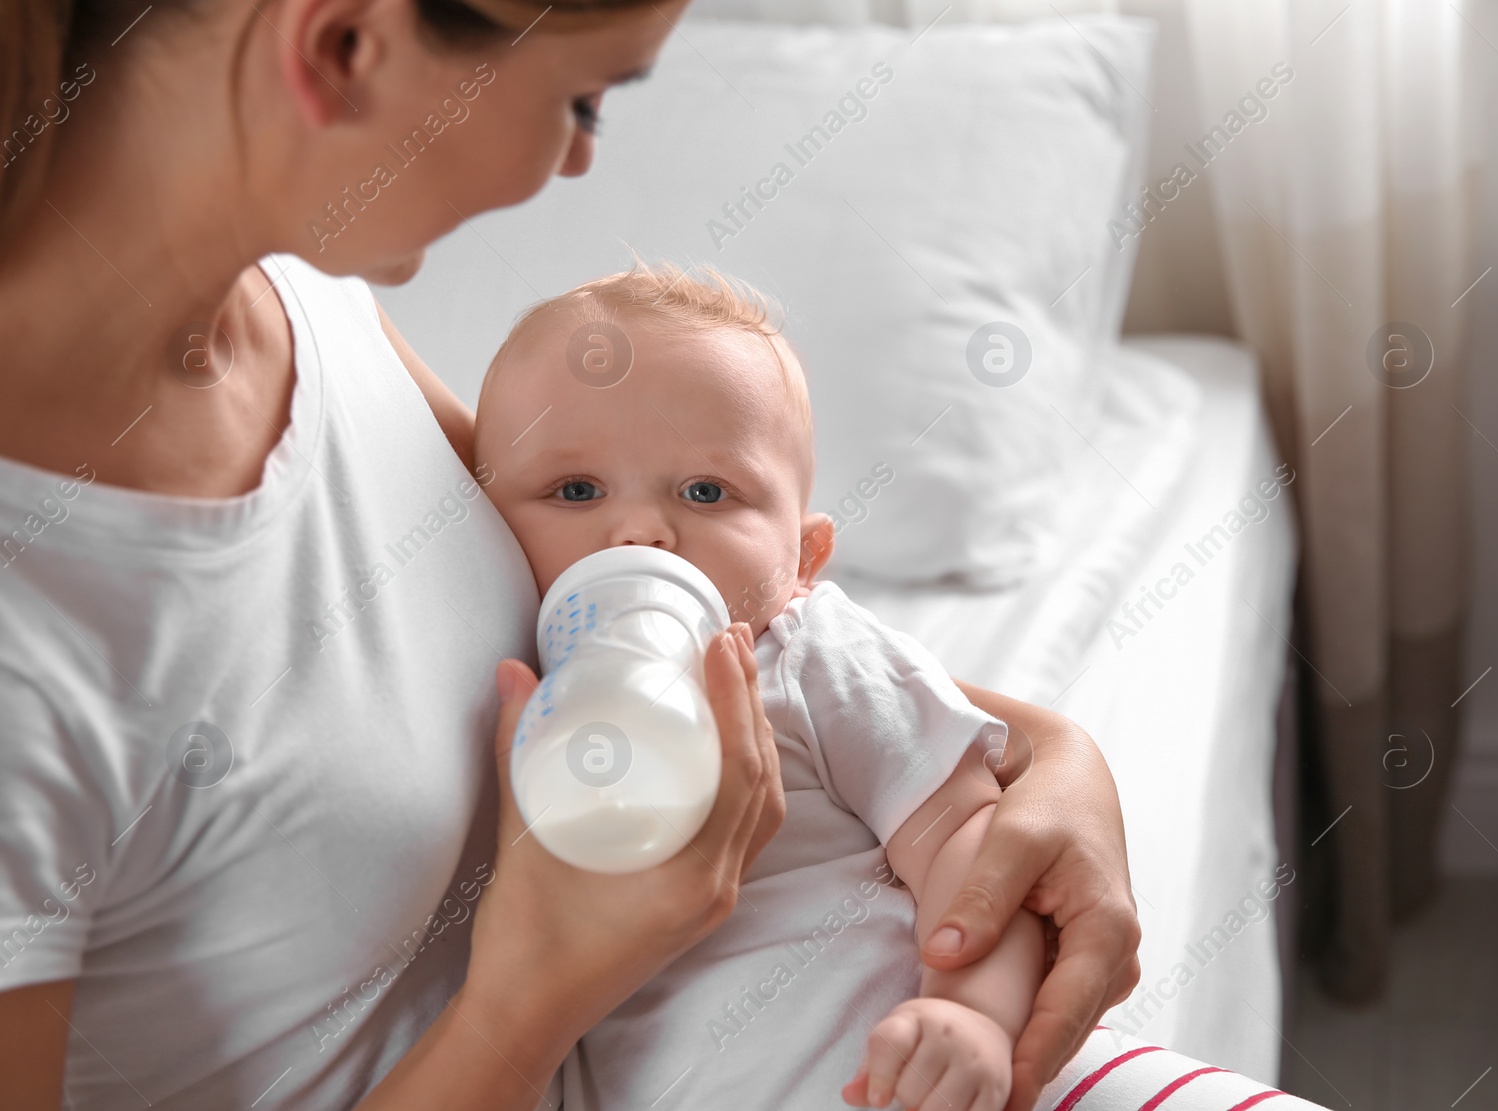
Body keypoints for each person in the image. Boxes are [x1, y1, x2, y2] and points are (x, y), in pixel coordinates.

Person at [0, 0, 1141, 1107]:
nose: (576, 163)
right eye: (584, 99)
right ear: (344, 48)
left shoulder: (302, 306)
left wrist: (1050, 755)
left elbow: (662, 611)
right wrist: (536, 995)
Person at [474, 264, 1046, 1111]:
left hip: (900, 1078)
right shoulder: (504, 693)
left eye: (708, 491)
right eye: (575, 489)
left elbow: (969, 839)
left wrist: (971, 1017)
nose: (640, 530)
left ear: (803, 562)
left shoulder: (813, 656)